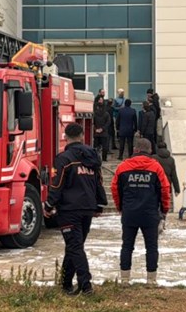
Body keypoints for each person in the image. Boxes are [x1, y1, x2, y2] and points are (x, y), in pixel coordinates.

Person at [46, 123, 107, 295]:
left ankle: (86, 285)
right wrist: (99, 204)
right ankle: (65, 283)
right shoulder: (92, 157)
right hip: (87, 207)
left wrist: (49, 205)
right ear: (82, 136)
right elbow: (98, 181)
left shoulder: (63, 159)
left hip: (69, 209)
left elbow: (56, 184)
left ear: (65, 137)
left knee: (74, 246)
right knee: (75, 245)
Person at [112, 138, 172, 286]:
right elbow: (165, 190)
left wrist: (120, 207)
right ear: (150, 151)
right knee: (151, 247)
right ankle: (151, 280)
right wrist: (164, 210)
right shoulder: (156, 167)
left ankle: (125, 279)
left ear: (135, 149)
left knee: (127, 246)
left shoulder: (123, 167)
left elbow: (115, 189)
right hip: (150, 213)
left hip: (130, 212)